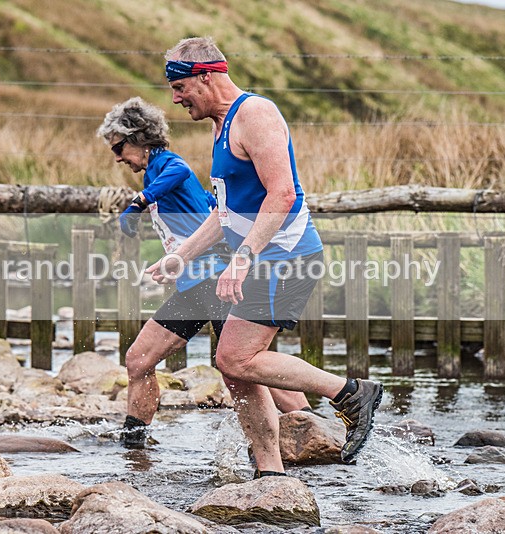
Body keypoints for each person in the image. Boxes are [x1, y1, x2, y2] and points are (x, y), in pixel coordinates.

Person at [148, 37, 384, 473]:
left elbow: (283, 192)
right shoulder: (220, 127)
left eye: (179, 87)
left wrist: (242, 259)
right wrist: (181, 255)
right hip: (264, 258)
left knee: (236, 358)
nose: (176, 98)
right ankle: (268, 467)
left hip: (285, 256)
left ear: (206, 76)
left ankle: (351, 393)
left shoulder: (255, 114)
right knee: (235, 368)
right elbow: (225, 212)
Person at [96, 97, 312, 448]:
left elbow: (179, 171)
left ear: (139, 138)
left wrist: (139, 202)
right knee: (139, 359)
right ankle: (133, 447)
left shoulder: (167, 164)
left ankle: (316, 433)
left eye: (119, 147)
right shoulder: (154, 170)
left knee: (247, 368)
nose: (118, 157)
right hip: (196, 285)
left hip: (218, 279)